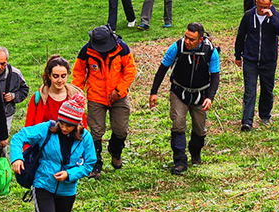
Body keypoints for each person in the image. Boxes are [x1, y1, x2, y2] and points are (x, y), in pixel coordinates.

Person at [10, 94, 96, 212]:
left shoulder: (85, 137)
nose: (64, 128)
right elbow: (19, 137)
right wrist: (16, 158)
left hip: (67, 189)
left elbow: (90, 163)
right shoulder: (47, 129)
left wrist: (70, 174)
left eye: (68, 125)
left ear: (77, 125)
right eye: (62, 123)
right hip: (43, 185)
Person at [148, 24, 221, 174]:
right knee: (178, 124)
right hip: (178, 92)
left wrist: (210, 98)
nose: (187, 41)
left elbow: (215, 76)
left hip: (200, 94)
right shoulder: (177, 47)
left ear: (200, 39)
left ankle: (195, 152)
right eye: (186, 37)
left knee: (200, 129)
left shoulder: (210, 51)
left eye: (191, 39)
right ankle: (180, 161)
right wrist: (153, 92)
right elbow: (163, 68)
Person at [72, 25, 136, 175]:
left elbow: (130, 70)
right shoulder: (86, 51)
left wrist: (119, 91)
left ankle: (116, 151)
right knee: (96, 131)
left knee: (121, 129)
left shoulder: (122, 48)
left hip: (119, 96)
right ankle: (95, 162)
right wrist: (77, 94)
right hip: (96, 96)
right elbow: (79, 73)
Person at [234, 0, 279, 131]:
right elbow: (241, 35)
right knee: (250, 91)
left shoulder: (275, 16)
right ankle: (247, 121)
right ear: (255, 3)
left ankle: (265, 116)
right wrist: (238, 55)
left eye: (265, 6)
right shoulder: (248, 16)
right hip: (250, 60)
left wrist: (272, 17)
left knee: (267, 90)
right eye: (259, 6)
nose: (262, 9)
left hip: (268, 61)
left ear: (271, 4)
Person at [23, 55, 84, 127]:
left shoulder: (76, 97)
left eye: (63, 76)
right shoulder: (38, 98)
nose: (60, 80)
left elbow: (83, 128)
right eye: (55, 76)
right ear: (49, 76)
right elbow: (29, 128)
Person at [0, 47, 30, 130]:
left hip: (6, 114)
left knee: (1, 142)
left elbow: (25, 90)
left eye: (3, 64)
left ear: (7, 60)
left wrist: (13, 96)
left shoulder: (15, 74)